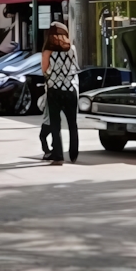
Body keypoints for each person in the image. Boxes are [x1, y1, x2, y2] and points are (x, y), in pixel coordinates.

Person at [42, 22, 79, 164]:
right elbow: (75, 66)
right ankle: (74, 154)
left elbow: (44, 70)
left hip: (54, 90)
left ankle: (58, 155)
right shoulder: (72, 49)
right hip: (70, 90)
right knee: (72, 124)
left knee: (55, 125)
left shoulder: (47, 51)